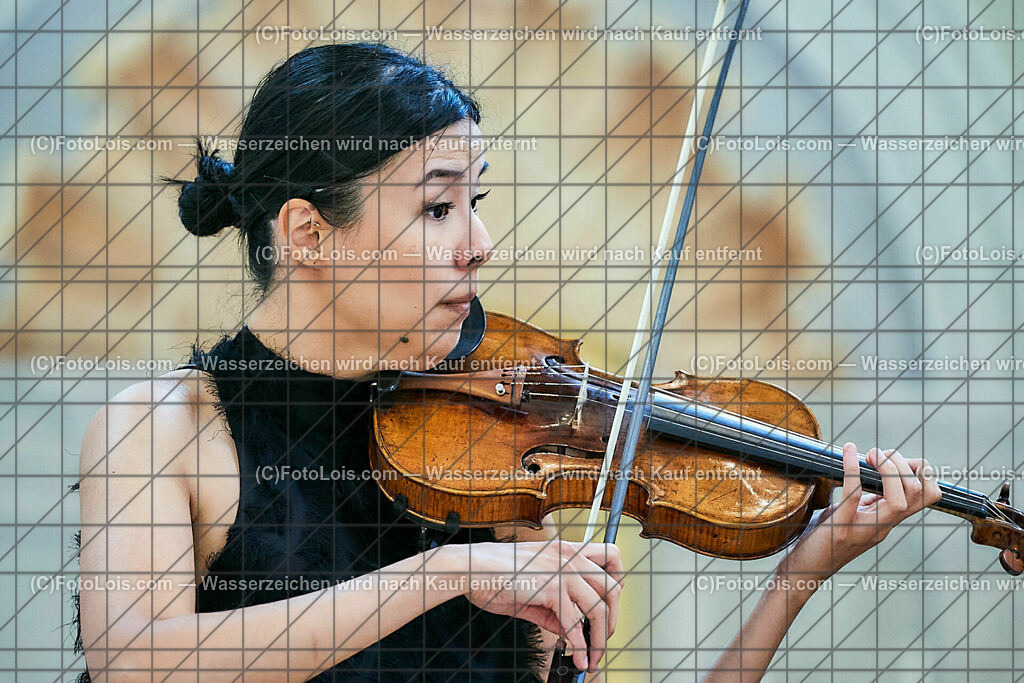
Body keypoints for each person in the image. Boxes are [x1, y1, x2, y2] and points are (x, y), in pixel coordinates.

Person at [73, 42, 942, 682]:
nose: (480, 244)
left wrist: (793, 580)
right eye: (440, 206)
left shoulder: (487, 452)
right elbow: (133, 660)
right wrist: (446, 570)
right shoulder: (164, 427)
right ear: (309, 234)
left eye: (475, 201)